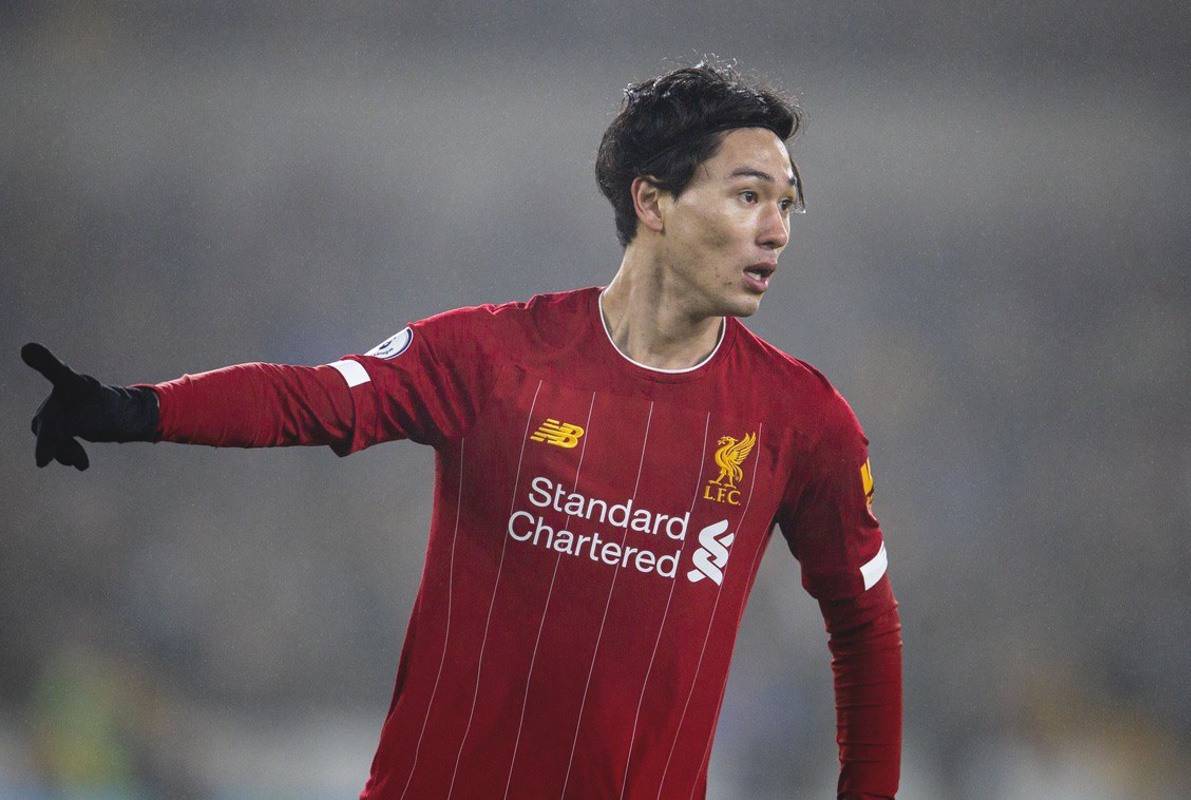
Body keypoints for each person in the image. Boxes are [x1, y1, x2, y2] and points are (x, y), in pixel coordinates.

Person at [23, 61, 902, 799]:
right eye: (749, 195)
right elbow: (317, 398)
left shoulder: (801, 422)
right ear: (654, 202)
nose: (776, 230)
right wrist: (138, 409)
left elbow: (863, 625)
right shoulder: (492, 358)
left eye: (787, 203)